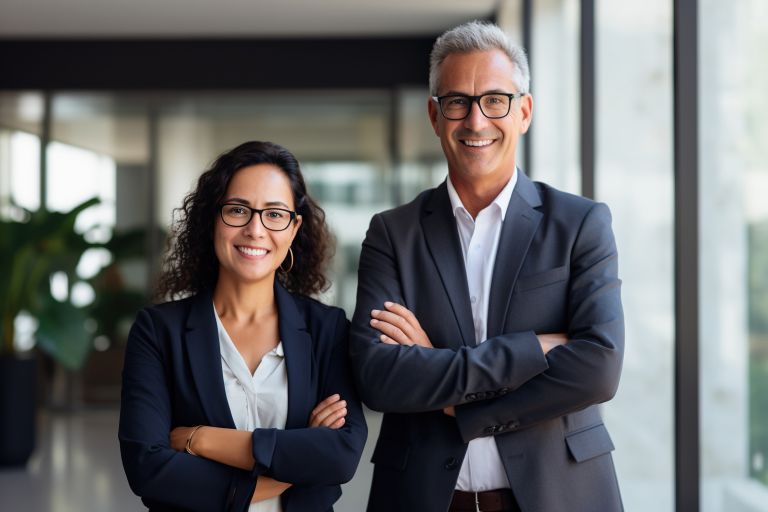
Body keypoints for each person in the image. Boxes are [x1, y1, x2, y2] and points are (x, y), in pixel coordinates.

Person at [350, 21, 624, 512]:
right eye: (457, 101)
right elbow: (378, 377)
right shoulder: (394, 232)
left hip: (559, 494)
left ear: (524, 111)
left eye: (495, 100)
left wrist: (452, 396)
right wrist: (530, 350)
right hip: (424, 497)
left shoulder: (580, 223)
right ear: (435, 116)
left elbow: (597, 369)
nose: (476, 121)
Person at [119, 141, 367, 512]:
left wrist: (202, 440)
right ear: (212, 219)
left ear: (294, 227)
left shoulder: (326, 329)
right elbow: (149, 470)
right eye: (238, 210)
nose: (255, 229)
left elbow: (341, 456)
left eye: (275, 214)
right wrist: (296, 462)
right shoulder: (157, 332)